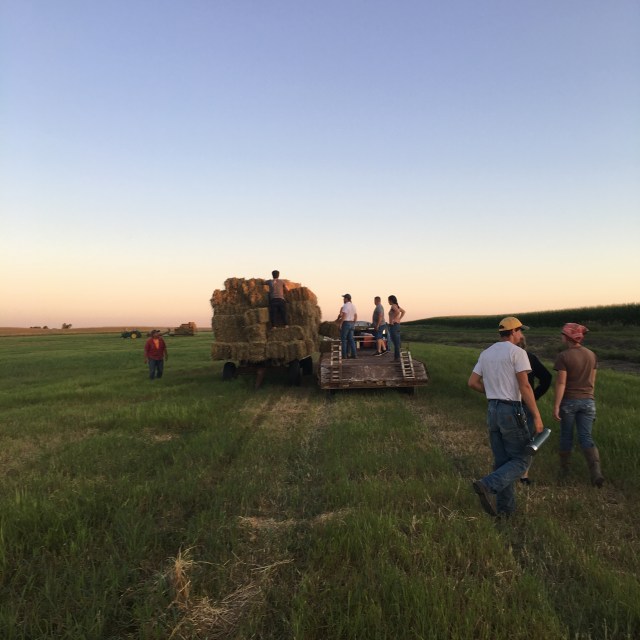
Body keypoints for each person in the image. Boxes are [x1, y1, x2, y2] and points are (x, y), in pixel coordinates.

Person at [468, 317, 544, 517]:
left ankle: (505, 512)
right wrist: (536, 416)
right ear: (513, 332)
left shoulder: (486, 353)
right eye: (520, 331)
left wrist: (493, 392)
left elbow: (472, 382)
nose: (522, 335)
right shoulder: (517, 353)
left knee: (502, 463)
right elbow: (525, 386)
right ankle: (487, 485)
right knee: (522, 460)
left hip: (492, 410)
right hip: (511, 410)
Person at [552, 323, 604, 487]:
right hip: (588, 401)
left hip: (569, 401)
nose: (561, 336)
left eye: (563, 334)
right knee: (586, 436)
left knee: (566, 436)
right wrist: (590, 399)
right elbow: (592, 382)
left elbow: (561, 383)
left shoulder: (563, 356)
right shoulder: (591, 355)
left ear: (568, 337)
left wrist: (556, 405)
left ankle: (564, 472)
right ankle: (596, 473)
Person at [518, 334, 552, 484]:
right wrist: (534, 396)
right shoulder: (529, 358)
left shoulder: (503, 358)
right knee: (529, 441)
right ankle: (524, 475)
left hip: (505, 403)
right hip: (526, 404)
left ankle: (506, 470)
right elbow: (546, 378)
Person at [336, 293, 357, 359]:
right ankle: (354, 355)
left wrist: (340, 323)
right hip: (352, 323)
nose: (343, 299)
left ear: (346, 299)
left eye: (344, 298)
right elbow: (355, 316)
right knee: (351, 340)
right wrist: (353, 323)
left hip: (346, 323)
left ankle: (344, 355)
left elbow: (344, 315)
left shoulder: (345, 306)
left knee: (344, 340)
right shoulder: (353, 306)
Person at [387, 295, 405, 361]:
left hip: (394, 325)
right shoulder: (397, 306)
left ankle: (397, 358)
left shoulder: (393, 306)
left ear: (391, 300)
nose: (388, 302)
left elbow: (397, 312)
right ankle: (397, 357)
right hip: (397, 325)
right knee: (397, 342)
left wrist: (393, 319)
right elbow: (403, 311)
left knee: (395, 342)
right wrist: (399, 319)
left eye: (388, 300)